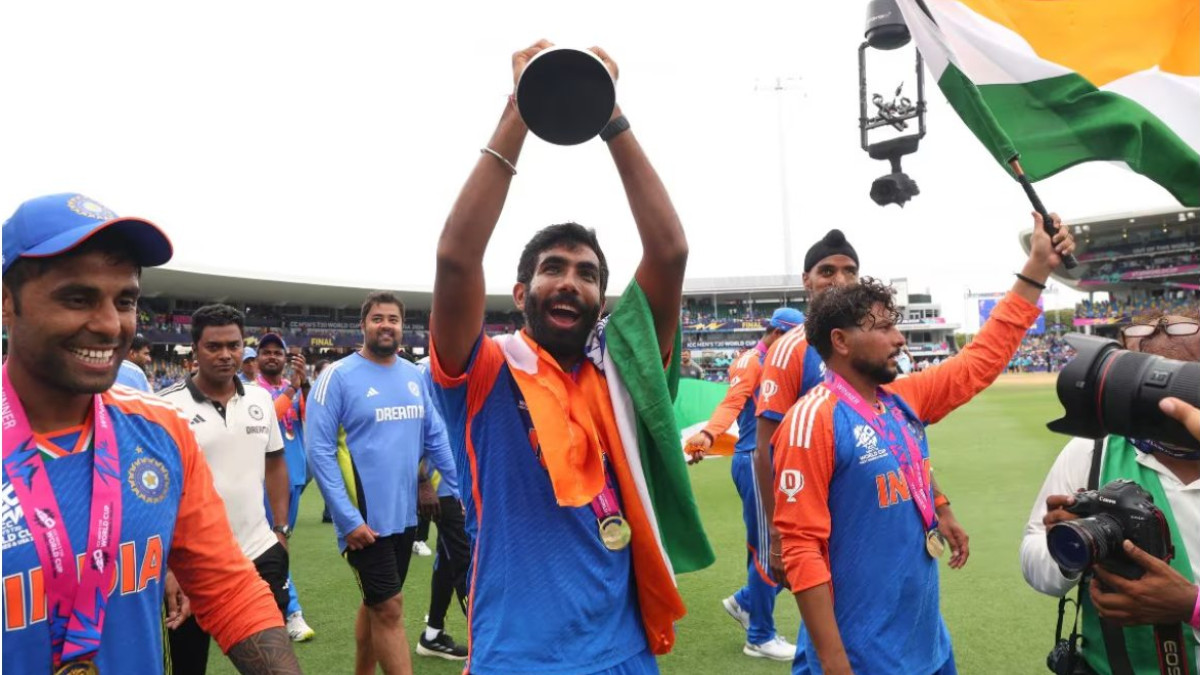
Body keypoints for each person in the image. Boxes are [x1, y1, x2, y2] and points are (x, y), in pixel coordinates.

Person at [429, 41, 712, 675]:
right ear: (521, 294)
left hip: (625, 651)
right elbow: (456, 257)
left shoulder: (623, 368)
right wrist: (520, 109)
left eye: (587, 274)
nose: (570, 283)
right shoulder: (484, 371)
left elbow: (669, 252)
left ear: (600, 300)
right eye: (552, 269)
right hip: (517, 657)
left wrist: (608, 114)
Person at [1, 193, 300, 673]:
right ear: (7, 302)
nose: (109, 325)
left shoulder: (162, 431)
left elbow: (229, 590)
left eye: (125, 301)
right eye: (77, 298)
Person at [770, 212, 1073, 675]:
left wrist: (1036, 268)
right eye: (882, 328)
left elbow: (979, 361)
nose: (898, 339)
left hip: (927, 645)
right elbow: (801, 550)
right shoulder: (813, 420)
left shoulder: (900, 399)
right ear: (841, 341)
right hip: (861, 657)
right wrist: (833, 664)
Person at [754, 230, 970, 580]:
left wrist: (939, 504)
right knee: (820, 585)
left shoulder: (874, 347)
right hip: (818, 510)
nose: (840, 280)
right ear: (806, 280)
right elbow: (766, 448)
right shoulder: (789, 350)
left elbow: (898, 437)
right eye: (827, 271)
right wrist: (777, 534)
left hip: (874, 512)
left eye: (850, 270)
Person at [1021, 308, 1200, 673]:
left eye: (1180, 377)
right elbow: (1034, 551)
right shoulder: (1092, 450)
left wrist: (1191, 607)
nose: (1158, 396)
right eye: (1141, 378)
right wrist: (1069, 550)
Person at [306, 291, 459, 675]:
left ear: (402, 327)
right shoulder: (336, 377)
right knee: (389, 609)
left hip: (404, 517)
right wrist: (347, 519)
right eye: (378, 318)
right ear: (363, 325)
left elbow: (436, 437)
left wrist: (461, 491)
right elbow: (319, 452)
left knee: (377, 604)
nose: (386, 325)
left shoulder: (413, 376)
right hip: (363, 524)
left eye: (393, 319)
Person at [159, 304, 293, 674]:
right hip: (193, 566)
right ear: (195, 349)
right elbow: (157, 495)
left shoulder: (260, 399)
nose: (225, 355)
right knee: (188, 667)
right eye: (214, 346)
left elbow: (275, 462)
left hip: (260, 550)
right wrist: (170, 567)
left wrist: (280, 530)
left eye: (233, 346)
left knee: (272, 665)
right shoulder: (166, 407)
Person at [684, 307, 804, 661]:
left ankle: (746, 602)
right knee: (769, 550)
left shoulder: (776, 361)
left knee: (792, 544)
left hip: (772, 461)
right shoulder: (751, 362)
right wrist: (709, 434)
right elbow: (732, 402)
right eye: (795, 341)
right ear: (778, 334)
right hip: (756, 461)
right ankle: (760, 637)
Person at [256, 333, 317, 642]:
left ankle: (266, 605)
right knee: (276, 541)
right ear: (257, 358)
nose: (272, 356)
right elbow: (270, 418)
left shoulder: (291, 388)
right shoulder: (252, 391)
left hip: (295, 478)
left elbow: (314, 416)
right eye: (266, 352)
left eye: (277, 352)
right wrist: (293, 387)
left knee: (275, 541)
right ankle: (292, 612)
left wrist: (303, 386)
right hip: (267, 479)